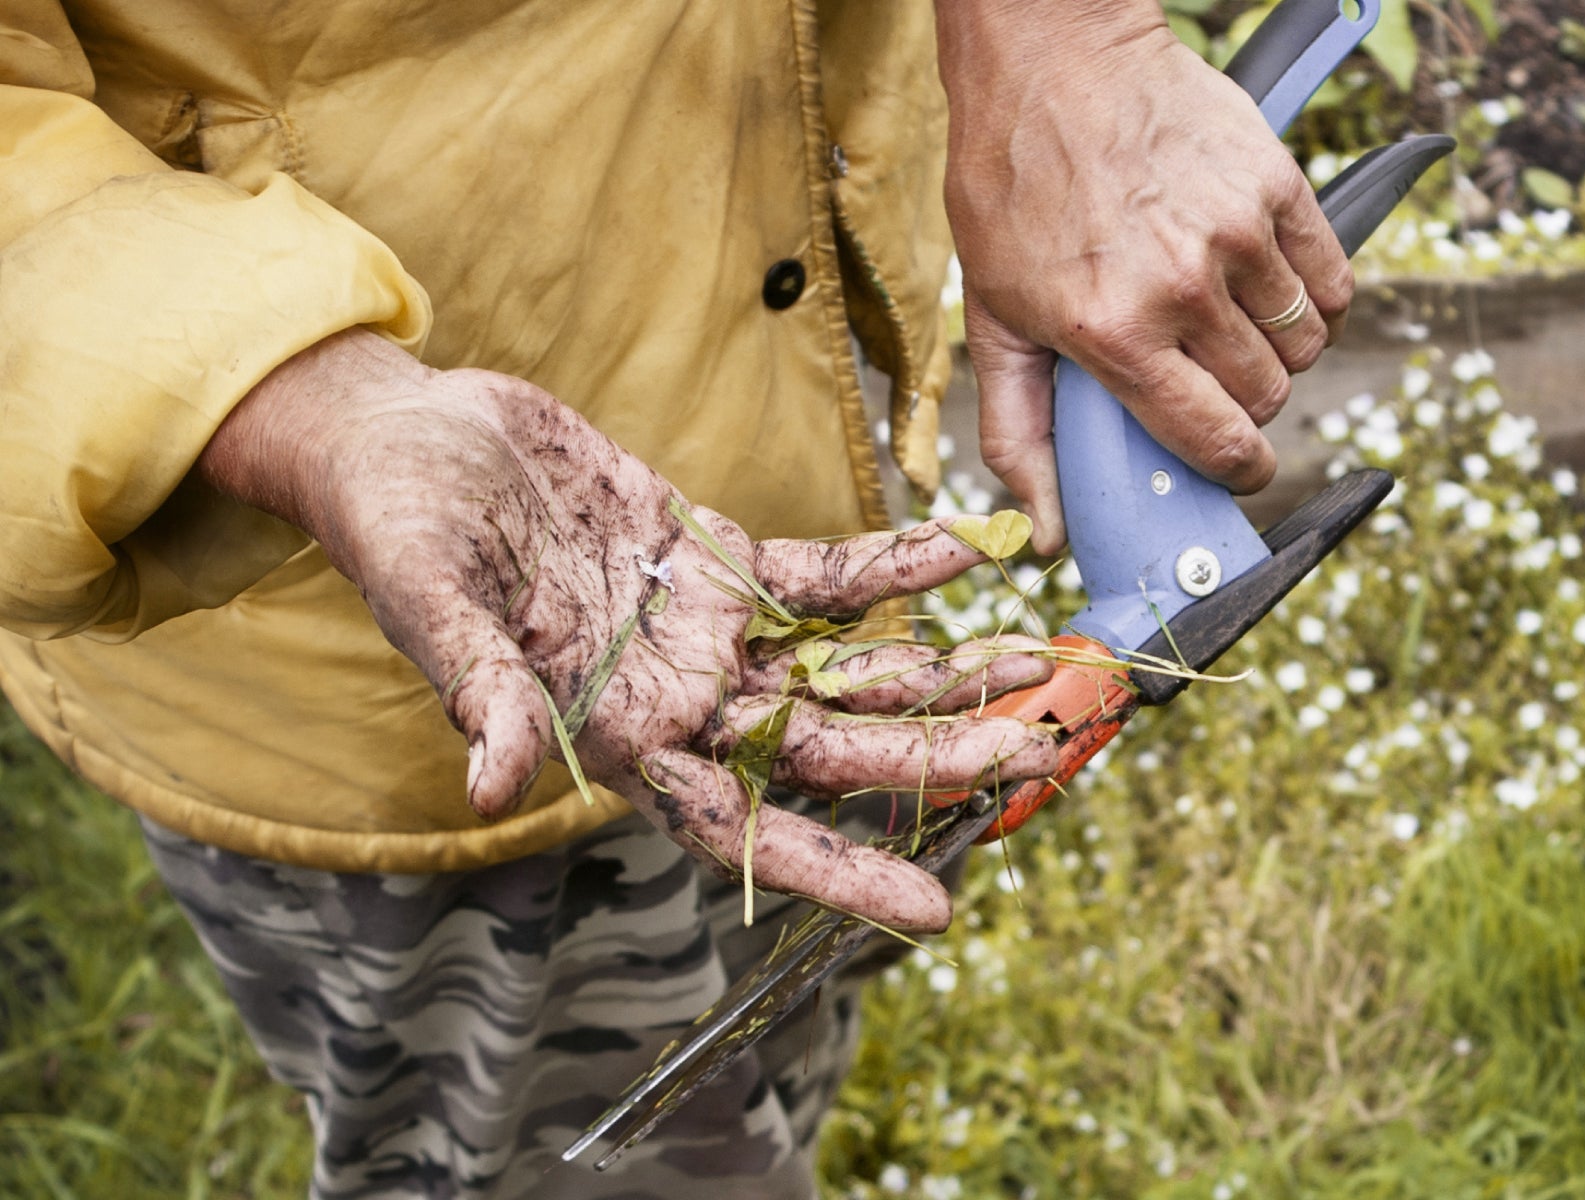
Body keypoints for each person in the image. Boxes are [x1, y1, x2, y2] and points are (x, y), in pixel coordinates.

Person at [0, 0, 1354, 1195]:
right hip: (368, 651)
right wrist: (298, 399)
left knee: (790, 1003)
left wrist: (1058, 38)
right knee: (560, 1147)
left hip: (766, 496)